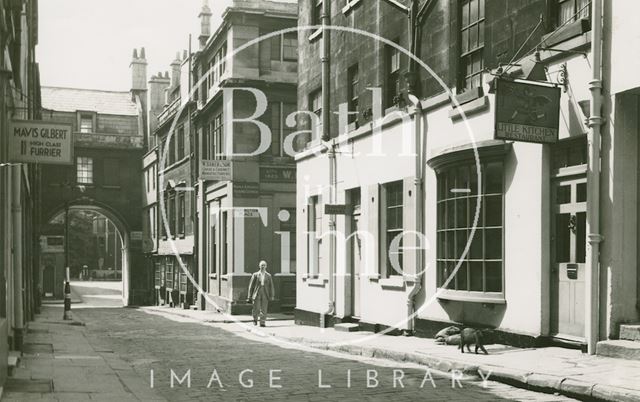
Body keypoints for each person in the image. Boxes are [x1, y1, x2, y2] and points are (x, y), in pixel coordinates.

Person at [247, 260, 275, 327]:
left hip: (265, 293)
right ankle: (255, 319)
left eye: (264, 265)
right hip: (257, 292)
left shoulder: (268, 276)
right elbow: (251, 286)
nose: (263, 266)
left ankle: (262, 322)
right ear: (259, 266)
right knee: (256, 307)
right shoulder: (255, 275)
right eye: (262, 265)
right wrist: (249, 296)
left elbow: (271, 286)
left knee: (264, 308)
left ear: (266, 266)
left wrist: (272, 295)